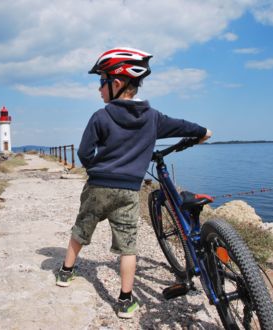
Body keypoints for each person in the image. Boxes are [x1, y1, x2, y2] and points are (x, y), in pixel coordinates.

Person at [56, 47, 212, 319]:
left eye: (101, 83)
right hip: (128, 191)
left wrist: (97, 169)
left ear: (116, 84)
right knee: (127, 246)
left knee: (81, 229)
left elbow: (83, 154)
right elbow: (182, 126)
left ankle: (66, 272)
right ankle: (125, 300)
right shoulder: (153, 118)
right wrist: (203, 132)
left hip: (98, 187)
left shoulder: (100, 116)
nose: (99, 90)